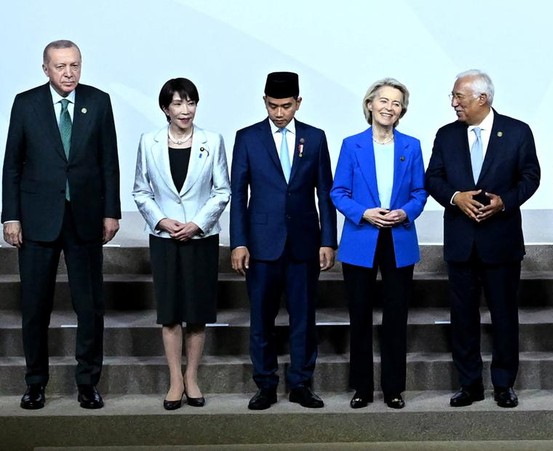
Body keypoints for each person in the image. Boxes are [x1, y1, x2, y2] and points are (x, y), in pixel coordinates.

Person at [2, 40, 120, 410]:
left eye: (75, 65)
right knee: (36, 307)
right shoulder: (26, 103)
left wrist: (111, 211)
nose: (69, 73)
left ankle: (87, 383)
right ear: (46, 69)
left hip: (85, 218)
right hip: (37, 220)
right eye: (60, 66)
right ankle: (36, 383)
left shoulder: (98, 102)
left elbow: (108, 162)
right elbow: (12, 165)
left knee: (90, 306)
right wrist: (11, 215)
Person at [425, 69, 540, 408]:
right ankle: (470, 384)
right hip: (461, 243)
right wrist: (455, 197)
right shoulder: (446, 135)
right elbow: (433, 178)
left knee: (504, 316)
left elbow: (531, 176)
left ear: (482, 99)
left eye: (459, 97)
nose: (453, 103)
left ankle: (504, 384)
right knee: (462, 318)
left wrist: (505, 201)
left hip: (501, 242)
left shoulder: (517, 132)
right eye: (453, 96)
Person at [230, 71, 337, 410]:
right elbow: (238, 193)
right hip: (262, 244)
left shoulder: (316, 138)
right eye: (273, 106)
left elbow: (325, 192)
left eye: (286, 106)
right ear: (264, 101)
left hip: (305, 242)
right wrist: (238, 242)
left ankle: (301, 383)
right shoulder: (247, 138)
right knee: (261, 318)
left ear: (298, 103)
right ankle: (265, 385)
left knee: (303, 318)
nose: (279, 113)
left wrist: (328, 240)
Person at [132, 78, 231, 410]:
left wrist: (197, 224)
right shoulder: (149, 142)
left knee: (197, 313)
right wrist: (161, 220)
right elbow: (140, 191)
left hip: (200, 237)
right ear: (165, 108)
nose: (185, 110)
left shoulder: (212, 141)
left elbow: (222, 190)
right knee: (171, 313)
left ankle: (192, 378)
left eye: (190, 103)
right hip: (164, 237)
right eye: (177, 104)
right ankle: (175, 380)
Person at [330, 78, 427, 410]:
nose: (389, 108)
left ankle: (393, 388)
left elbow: (419, 193)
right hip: (361, 237)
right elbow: (337, 192)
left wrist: (404, 212)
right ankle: (362, 387)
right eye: (383, 101)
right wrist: (365, 213)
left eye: (396, 104)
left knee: (396, 318)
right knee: (360, 317)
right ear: (369, 104)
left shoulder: (411, 146)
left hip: (398, 238)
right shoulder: (351, 145)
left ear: (402, 112)